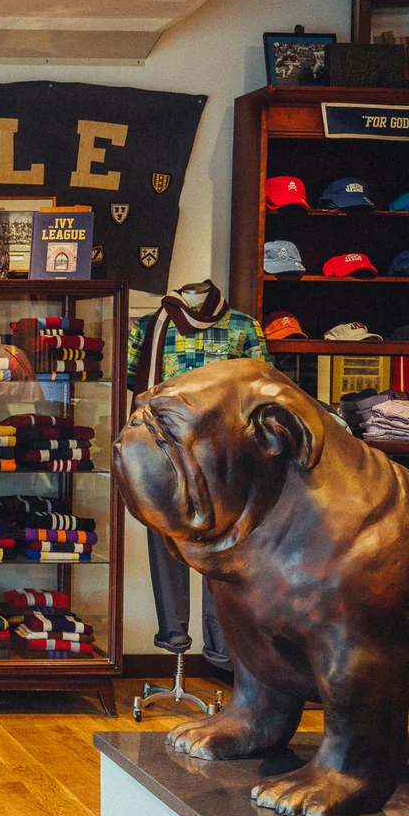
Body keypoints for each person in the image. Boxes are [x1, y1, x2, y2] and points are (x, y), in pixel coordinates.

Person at [126, 279, 267, 670]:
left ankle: (222, 648)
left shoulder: (244, 327)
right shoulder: (150, 327)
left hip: (225, 460)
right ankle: (173, 635)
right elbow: (132, 385)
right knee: (168, 545)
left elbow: (262, 389)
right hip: (166, 456)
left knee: (220, 553)